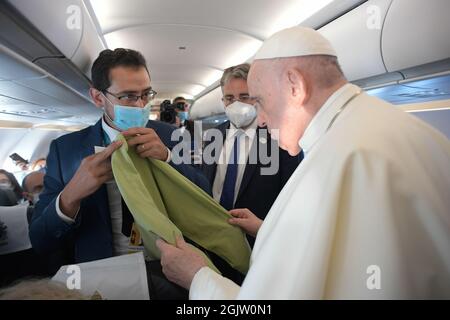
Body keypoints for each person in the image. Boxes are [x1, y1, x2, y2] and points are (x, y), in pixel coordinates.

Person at [156, 26, 450, 299]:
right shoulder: (390, 128)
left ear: (295, 85)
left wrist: (197, 278)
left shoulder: (342, 157)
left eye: (258, 100)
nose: (258, 118)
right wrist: (266, 229)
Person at [29, 48, 210, 266]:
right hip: (103, 273)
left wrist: (168, 158)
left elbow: (204, 194)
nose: (141, 105)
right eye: (128, 97)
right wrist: (70, 196)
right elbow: (40, 240)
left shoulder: (170, 135)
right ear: (98, 97)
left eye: (146, 94)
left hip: (169, 268)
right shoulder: (65, 150)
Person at [202, 63, 302, 248]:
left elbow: (294, 202)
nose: (236, 104)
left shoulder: (282, 140)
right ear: (223, 101)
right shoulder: (212, 137)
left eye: (244, 97)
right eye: (230, 98)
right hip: (213, 239)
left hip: (258, 243)